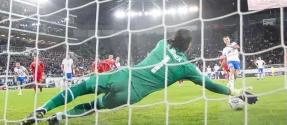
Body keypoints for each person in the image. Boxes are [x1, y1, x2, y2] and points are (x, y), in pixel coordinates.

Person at [21, 29, 258, 125]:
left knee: (81, 87)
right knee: (94, 105)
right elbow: (211, 86)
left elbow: (170, 41)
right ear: (189, 47)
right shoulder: (188, 68)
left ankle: (43, 109)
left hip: (123, 76)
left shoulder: (160, 43)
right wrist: (236, 92)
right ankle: (61, 117)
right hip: (132, 95)